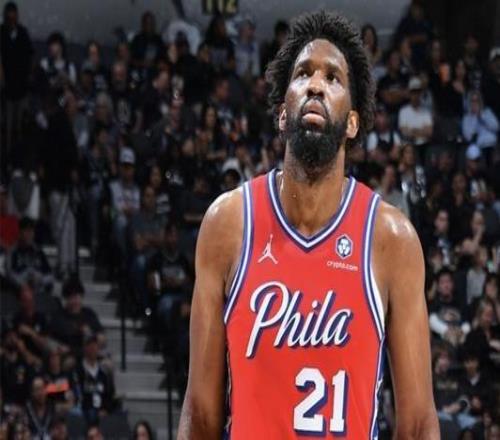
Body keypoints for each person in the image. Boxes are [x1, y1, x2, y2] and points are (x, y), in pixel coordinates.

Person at [178, 10, 439, 439]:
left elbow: (417, 425)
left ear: (352, 122)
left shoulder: (391, 239)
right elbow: (201, 414)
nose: (316, 84)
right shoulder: (228, 224)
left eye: (333, 78)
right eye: (303, 74)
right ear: (283, 112)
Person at [0, 2, 33, 156]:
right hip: (6, 90)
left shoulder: (23, 32)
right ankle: (7, 158)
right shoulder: (1, 32)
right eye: (9, 18)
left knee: (21, 126)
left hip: (22, 88)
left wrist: (28, 76)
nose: (12, 21)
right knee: (7, 127)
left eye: (14, 17)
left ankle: (19, 157)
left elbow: (30, 56)